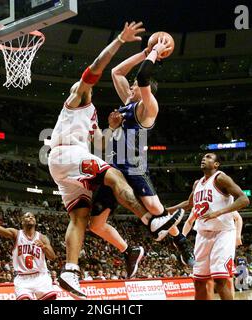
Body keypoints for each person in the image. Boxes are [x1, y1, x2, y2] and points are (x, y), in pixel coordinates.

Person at [48, 22, 184, 299]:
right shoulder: (79, 95)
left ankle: (70, 271)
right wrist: (124, 41)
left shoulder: (99, 114)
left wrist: (111, 127)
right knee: (115, 177)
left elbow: (101, 141)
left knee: (81, 218)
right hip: (68, 154)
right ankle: (152, 221)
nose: (130, 86)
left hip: (71, 165)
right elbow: (103, 66)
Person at [89, 36, 190, 270]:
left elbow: (143, 76)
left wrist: (155, 52)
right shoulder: (127, 102)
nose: (131, 85)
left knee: (156, 210)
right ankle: (130, 251)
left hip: (133, 165)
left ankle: (181, 241)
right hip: (113, 169)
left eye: (134, 85)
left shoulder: (147, 109)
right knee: (96, 224)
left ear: (143, 90)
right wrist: (144, 53)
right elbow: (116, 72)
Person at [167, 153, 250, 300]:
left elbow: (244, 200)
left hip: (223, 233)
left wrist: (218, 212)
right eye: (203, 157)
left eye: (208, 157)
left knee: (220, 280)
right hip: (203, 235)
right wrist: (167, 210)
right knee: (199, 281)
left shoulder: (220, 178)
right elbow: (189, 204)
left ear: (216, 164)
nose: (204, 159)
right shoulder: (197, 183)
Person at [0, 212, 57, 300]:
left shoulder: (42, 238)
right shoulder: (16, 234)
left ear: (36, 221)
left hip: (41, 276)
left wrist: (44, 247)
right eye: (27, 216)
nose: (30, 218)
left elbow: (52, 257)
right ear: (22, 222)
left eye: (32, 216)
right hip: (22, 278)